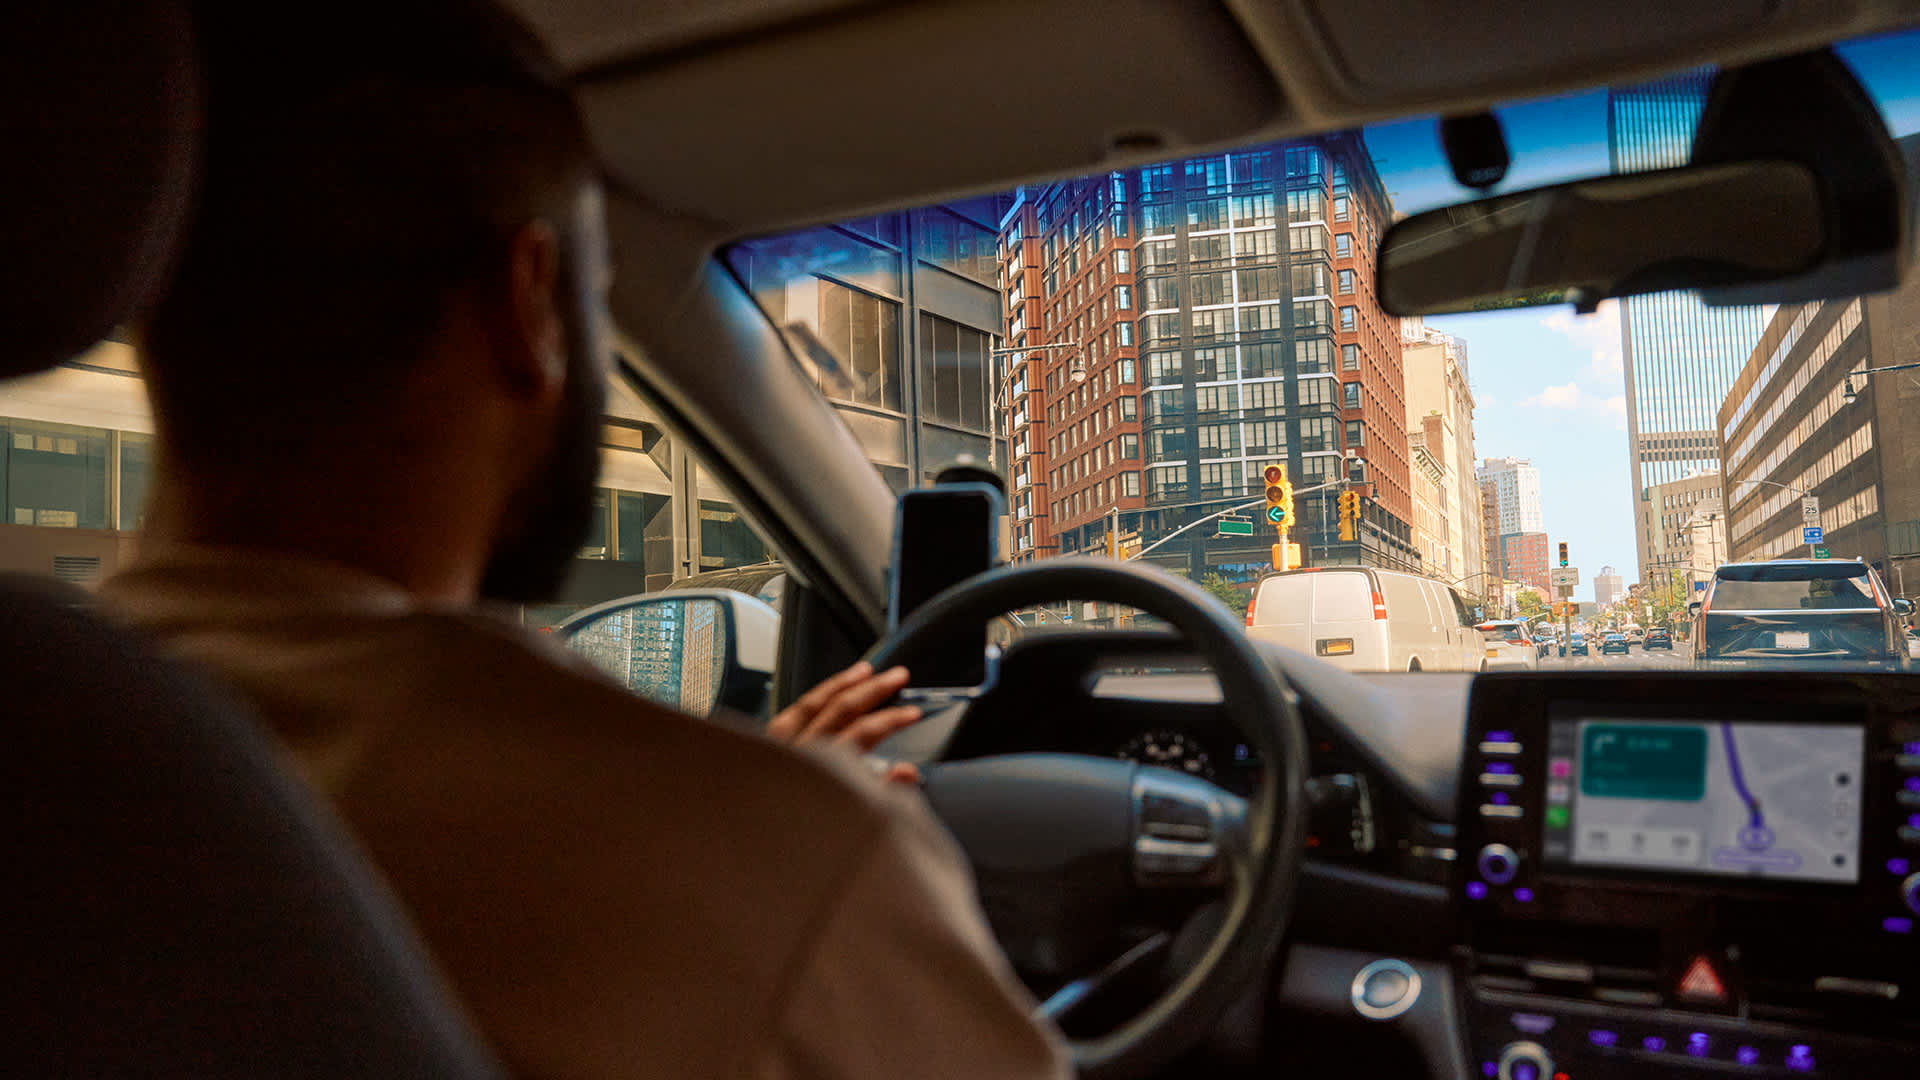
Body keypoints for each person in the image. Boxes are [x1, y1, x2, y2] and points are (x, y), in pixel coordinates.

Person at [99, 2, 1068, 1078]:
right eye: (595, 296)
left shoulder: (57, 752)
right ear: (528, 306)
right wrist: (759, 832)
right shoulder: (782, 866)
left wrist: (733, 812)